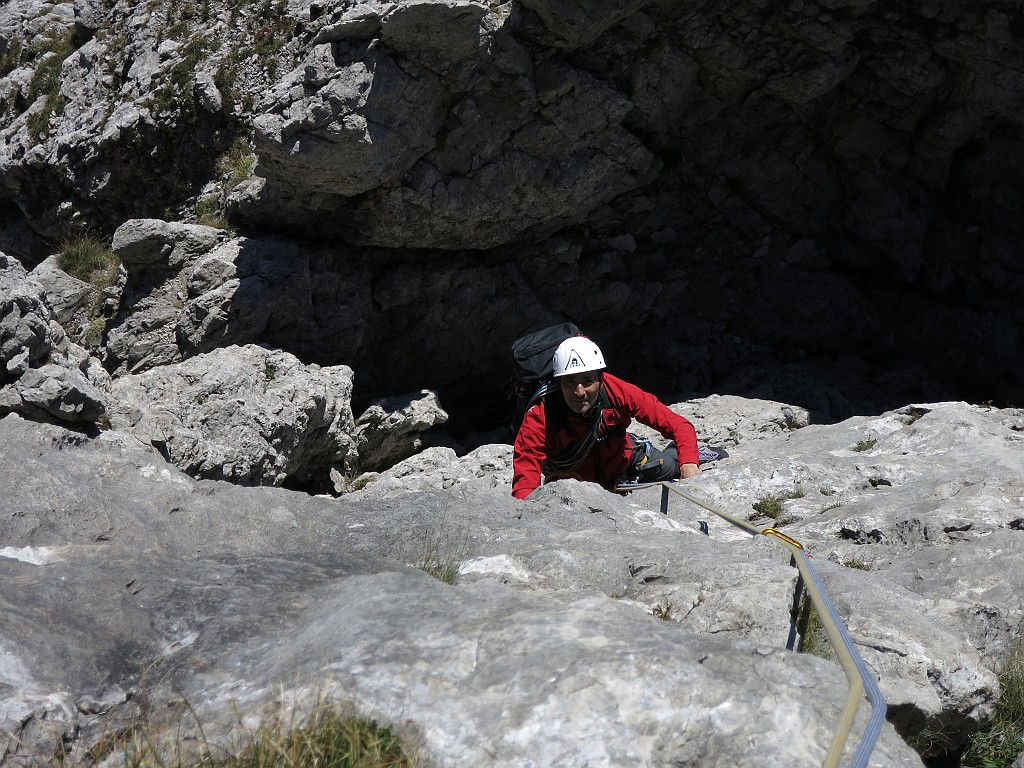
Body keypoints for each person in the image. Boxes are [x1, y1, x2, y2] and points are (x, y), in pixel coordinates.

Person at [512, 336, 702, 499]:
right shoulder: (541, 415)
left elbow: (678, 424)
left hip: (629, 464)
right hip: (579, 490)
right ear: (559, 382)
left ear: (600, 379)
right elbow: (525, 481)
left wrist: (689, 463)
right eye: (570, 382)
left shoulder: (615, 390)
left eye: (587, 381)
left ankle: (680, 453)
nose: (579, 392)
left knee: (677, 468)